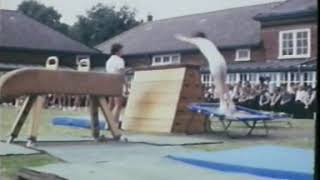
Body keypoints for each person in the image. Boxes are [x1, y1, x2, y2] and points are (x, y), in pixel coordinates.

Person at [175, 32, 235, 114]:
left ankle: (223, 104)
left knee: (218, 83)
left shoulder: (199, 40)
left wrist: (179, 37)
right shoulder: (209, 42)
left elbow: (187, 39)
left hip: (214, 62)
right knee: (223, 83)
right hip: (222, 61)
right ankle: (231, 104)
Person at [106, 43, 129, 128]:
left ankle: (107, 124)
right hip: (117, 83)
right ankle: (114, 125)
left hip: (109, 83)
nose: (123, 51)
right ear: (118, 51)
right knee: (118, 105)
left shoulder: (108, 61)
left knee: (110, 104)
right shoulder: (120, 60)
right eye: (122, 50)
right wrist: (126, 86)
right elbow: (121, 74)